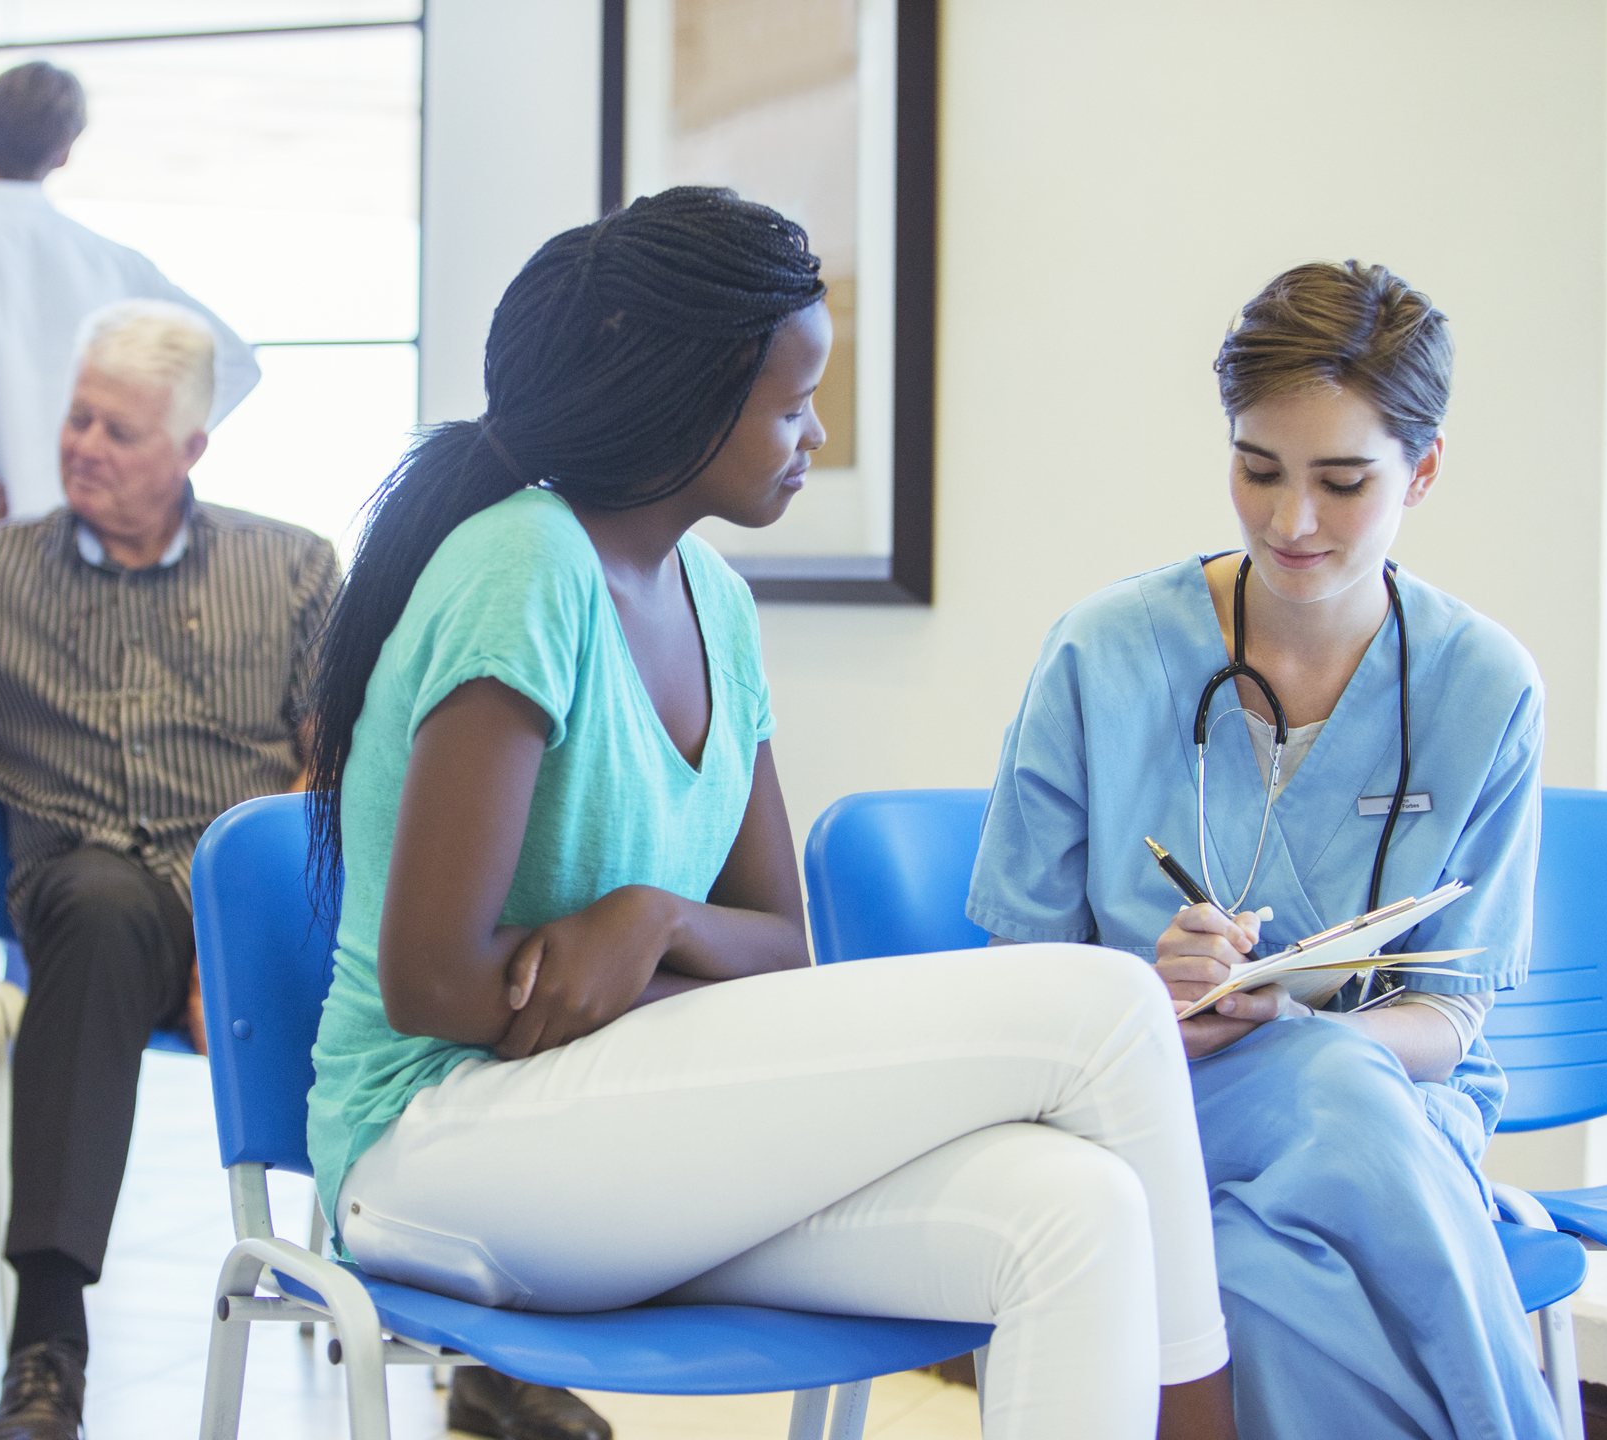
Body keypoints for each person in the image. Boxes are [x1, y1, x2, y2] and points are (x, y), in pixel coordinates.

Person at [304, 187, 1237, 1440]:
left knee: (1078, 1210)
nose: (816, 432)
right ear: (686, 404)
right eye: (793, 405)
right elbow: (434, 989)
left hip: (610, 1138)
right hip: (434, 1151)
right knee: (1111, 1005)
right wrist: (665, 973)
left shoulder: (717, 604)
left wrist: (653, 921)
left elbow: (781, 944)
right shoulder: (525, 564)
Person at [967, 261, 1558, 1439]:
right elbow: (1016, 985)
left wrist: (1291, 1026)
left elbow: (1449, 1020)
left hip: (1396, 1108)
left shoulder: (1486, 686)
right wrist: (1150, 1003)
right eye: (1258, 468)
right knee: (1322, 1114)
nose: (1291, 522)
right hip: (1144, 1112)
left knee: (1258, 1279)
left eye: (1343, 482)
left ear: (1423, 470)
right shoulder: (1101, 653)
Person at [0, 302, 338, 1440]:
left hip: (243, 912)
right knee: (98, 900)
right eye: (77, 418)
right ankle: (46, 1351)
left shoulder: (291, 568)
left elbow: (337, 766)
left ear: (191, 449)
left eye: (119, 432)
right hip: (84, 906)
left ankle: (477, 1333)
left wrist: (237, 947)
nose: (84, 447)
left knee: (450, 929)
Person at [0, 59, 260, 616]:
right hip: (76, 560)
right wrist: (140, 451)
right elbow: (232, 363)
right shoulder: (111, 262)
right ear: (66, 152)